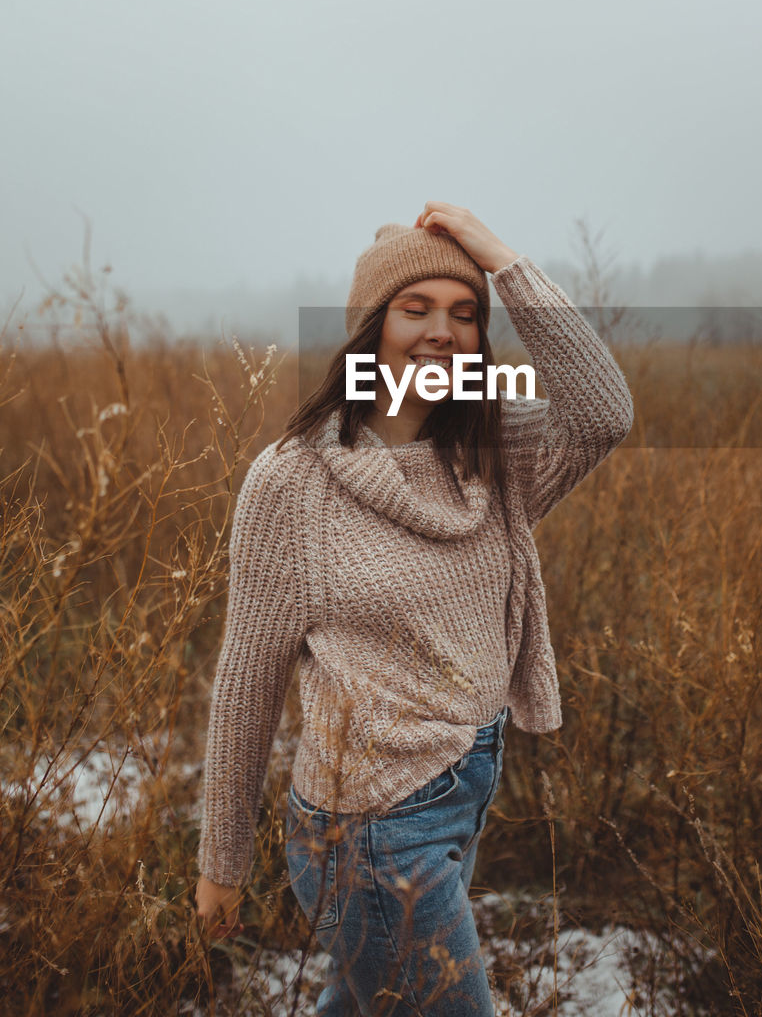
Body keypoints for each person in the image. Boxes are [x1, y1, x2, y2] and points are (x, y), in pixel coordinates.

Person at [195, 201, 634, 1015]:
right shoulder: (292, 484)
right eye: (415, 308)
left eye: (464, 314)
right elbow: (245, 684)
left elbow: (603, 410)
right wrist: (221, 865)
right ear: (370, 326)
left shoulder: (492, 457)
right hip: (366, 828)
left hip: (459, 790)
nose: (442, 329)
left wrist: (500, 258)